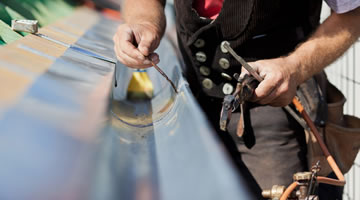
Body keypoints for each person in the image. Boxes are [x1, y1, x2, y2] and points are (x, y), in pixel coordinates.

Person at [113, 0, 360, 199]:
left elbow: (353, 14)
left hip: (276, 114)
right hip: (189, 105)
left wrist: (293, 67)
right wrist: (144, 23)